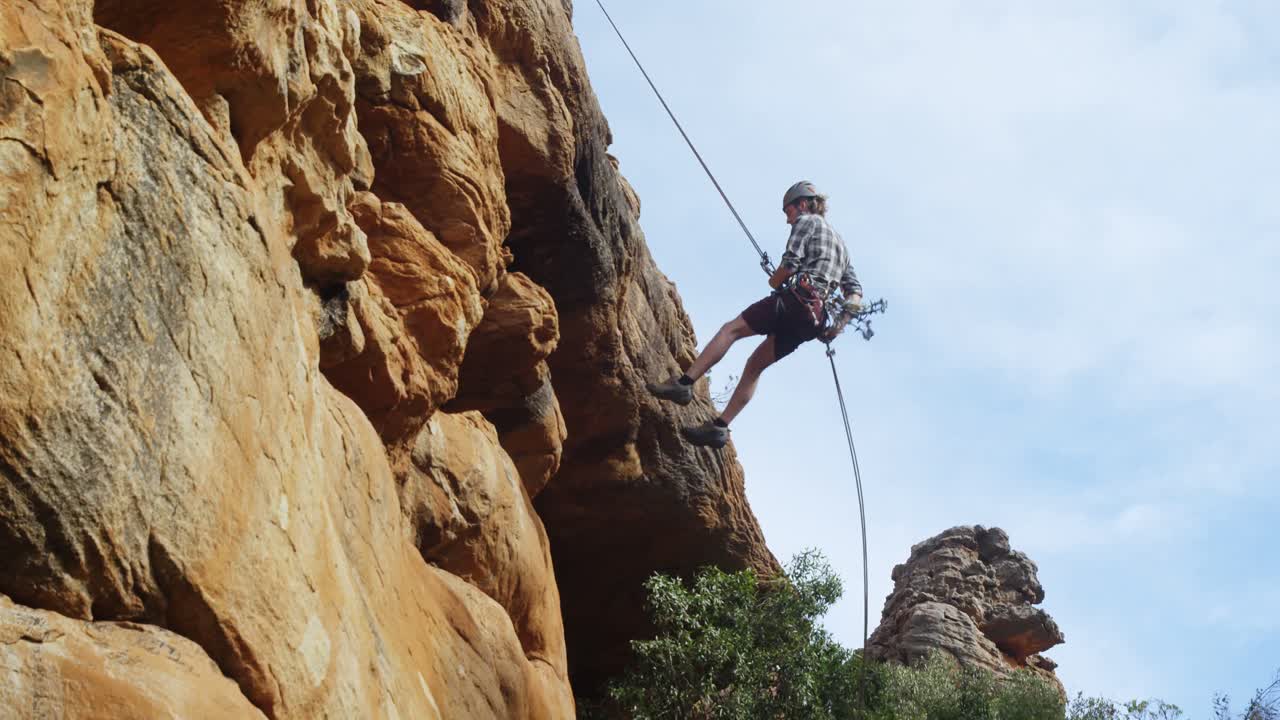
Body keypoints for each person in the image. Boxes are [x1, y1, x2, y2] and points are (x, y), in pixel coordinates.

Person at [647, 181, 863, 448]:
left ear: (804, 204)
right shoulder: (842, 249)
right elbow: (854, 294)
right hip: (813, 322)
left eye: (789, 211)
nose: (788, 219)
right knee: (755, 365)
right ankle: (720, 427)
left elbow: (790, 263)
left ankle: (684, 383)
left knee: (731, 330)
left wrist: (775, 281)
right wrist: (836, 327)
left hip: (796, 301)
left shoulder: (807, 223)